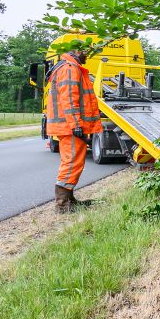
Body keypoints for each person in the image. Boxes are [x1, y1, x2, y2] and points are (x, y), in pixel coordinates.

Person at [45, 49, 103, 213]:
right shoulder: (70, 68)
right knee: (71, 163)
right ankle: (62, 205)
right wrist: (76, 124)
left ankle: (69, 200)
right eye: (84, 52)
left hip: (67, 125)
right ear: (75, 51)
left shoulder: (69, 67)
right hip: (69, 126)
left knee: (72, 162)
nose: (87, 55)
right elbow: (69, 99)